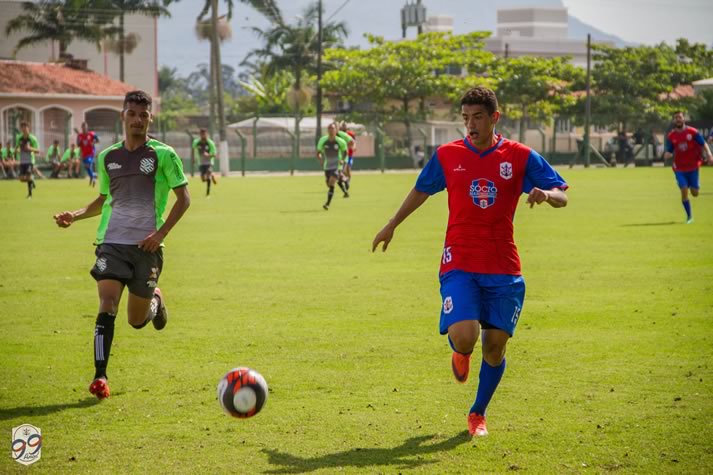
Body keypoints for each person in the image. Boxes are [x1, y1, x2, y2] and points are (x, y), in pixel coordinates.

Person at [372, 86, 568, 437]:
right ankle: (459, 351)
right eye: (465, 118)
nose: (470, 125)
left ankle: (477, 413)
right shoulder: (448, 155)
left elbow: (562, 194)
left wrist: (546, 194)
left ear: (495, 117)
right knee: (466, 338)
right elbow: (421, 189)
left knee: (494, 348)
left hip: (504, 266)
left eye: (477, 117)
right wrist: (391, 224)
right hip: (459, 260)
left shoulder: (520, 156)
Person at [53, 90, 191, 400]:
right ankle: (100, 376)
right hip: (111, 243)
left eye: (143, 115)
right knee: (107, 304)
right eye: (132, 114)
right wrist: (74, 216)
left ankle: (155, 301)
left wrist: (161, 234)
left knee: (136, 320)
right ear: (123, 116)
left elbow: (184, 198)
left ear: (150, 118)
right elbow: (103, 200)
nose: (138, 120)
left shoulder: (164, 155)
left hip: (146, 247)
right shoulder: (108, 157)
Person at [663, 111, 713, 224]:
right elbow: (669, 151)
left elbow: (703, 143)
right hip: (679, 169)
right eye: (676, 118)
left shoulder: (693, 132)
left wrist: (709, 155)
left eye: (680, 117)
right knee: (684, 190)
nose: (678, 119)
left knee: (695, 193)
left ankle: (695, 185)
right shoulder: (671, 136)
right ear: (673, 121)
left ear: (684, 119)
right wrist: (667, 154)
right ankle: (689, 216)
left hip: (693, 166)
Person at [317, 123, 349, 210]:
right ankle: (344, 180)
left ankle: (327, 204)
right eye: (329, 129)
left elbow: (345, 152)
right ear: (327, 130)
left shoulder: (340, 141)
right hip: (327, 166)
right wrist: (320, 158)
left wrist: (342, 159)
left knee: (332, 183)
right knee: (328, 184)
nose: (331, 130)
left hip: (337, 165)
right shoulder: (323, 140)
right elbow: (318, 152)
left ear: (336, 130)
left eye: (333, 129)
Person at [16, 121, 40, 198]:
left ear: (28, 128)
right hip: (22, 160)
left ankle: (30, 195)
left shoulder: (32, 138)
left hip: (30, 160)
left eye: (25, 127)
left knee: (28, 176)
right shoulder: (19, 138)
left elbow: (38, 150)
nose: (24, 129)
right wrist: (17, 151)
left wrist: (30, 148)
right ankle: (32, 181)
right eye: (22, 127)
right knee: (21, 179)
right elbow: (17, 148)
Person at [192, 128, 218, 196]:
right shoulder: (196, 142)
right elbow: (193, 149)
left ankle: (208, 193)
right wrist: (193, 158)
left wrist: (208, 155)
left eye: (204, 134)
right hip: (201, 162)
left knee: (208, 175)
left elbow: (215, 154)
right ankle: (212, 175)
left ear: (206, 134)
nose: (203, 135)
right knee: (203, 179)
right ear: (200, 134)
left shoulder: (210, 143)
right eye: (201, 134)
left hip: (209, 162)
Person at [76, 122, 99, 186]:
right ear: (82, 128)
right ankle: (92, 176)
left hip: (91, 153)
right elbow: (78, 145)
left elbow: (97, 140)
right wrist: (80, 140)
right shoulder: (79, 136)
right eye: (83, 127)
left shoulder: (92, 134)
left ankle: (93, 178)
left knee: (88, 165)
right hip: (84, 153)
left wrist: (93, 142)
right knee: (87, 167)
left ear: (87, 127)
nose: (84, 129)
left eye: (85, 127)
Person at [338, 121, 356, 192]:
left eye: (345, 125)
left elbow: (354, 142)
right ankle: (346, 180)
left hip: (349, 155)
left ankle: (348, 181)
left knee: (347, 169)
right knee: (344, 171)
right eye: (342, 125)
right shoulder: (338, 134)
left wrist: (353, 147)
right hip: (342, 155)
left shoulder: (350, 134)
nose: (344, 127)